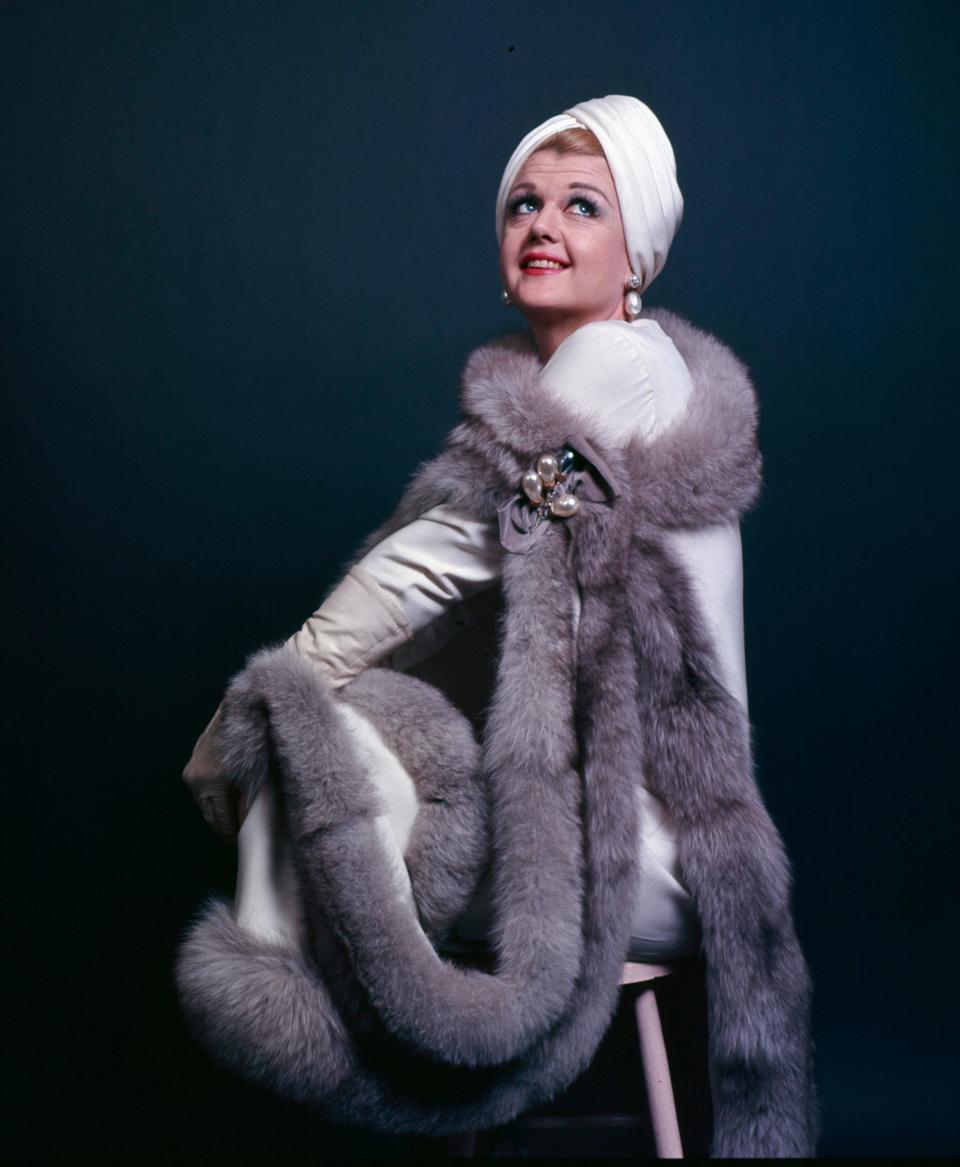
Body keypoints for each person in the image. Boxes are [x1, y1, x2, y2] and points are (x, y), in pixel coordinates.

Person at [178, 95, 816, 1156]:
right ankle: (310, 986)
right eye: (525, 203)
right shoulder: (594, 380)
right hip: (633, 839)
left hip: (628, 858)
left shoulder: (618, 369)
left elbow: (440, 564)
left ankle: (298, 1011)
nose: (542, 225)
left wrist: (255, 708)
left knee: (309, 723)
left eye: (582, 206)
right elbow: (461, 580)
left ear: (636, 257)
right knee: (351, 716)